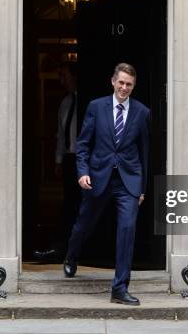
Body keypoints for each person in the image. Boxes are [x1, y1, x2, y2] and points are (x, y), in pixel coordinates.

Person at [63, 62, 150, 306]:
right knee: (84, 225)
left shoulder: (142, 112)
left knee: (126, 231)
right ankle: (71, 255)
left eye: (129, 84)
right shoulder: (96, 107)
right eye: (121, 82)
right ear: (113, 81)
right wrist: (82, 172)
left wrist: (141, 188)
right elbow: (82, 144)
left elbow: (144, 153)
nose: (124, 88)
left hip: (128, 182)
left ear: (134, 86)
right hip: (98, 178)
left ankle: (120, 288)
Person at [33, 63, 80, 262]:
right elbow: (61, 134)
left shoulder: (90, 104)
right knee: (69, 204)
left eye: (64, 75)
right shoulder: (66, 103)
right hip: (70, 159)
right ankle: (61, 249)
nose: (61, 81)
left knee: (78, 206)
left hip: (86, 160)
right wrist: (59, 160)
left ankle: (70, 249)